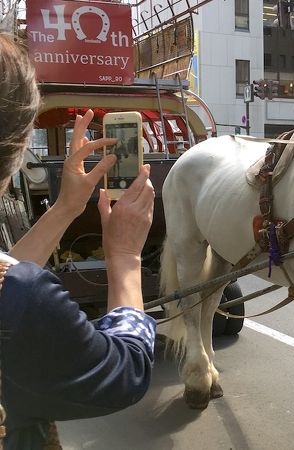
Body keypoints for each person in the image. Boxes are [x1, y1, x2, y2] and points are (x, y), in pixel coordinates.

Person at [0, 34, 155, 449]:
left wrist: (67, 207)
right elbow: (126, 370)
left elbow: (4, 273)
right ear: (17, 148)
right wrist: (124, 256)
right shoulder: (26, 298)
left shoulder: (12, 287)